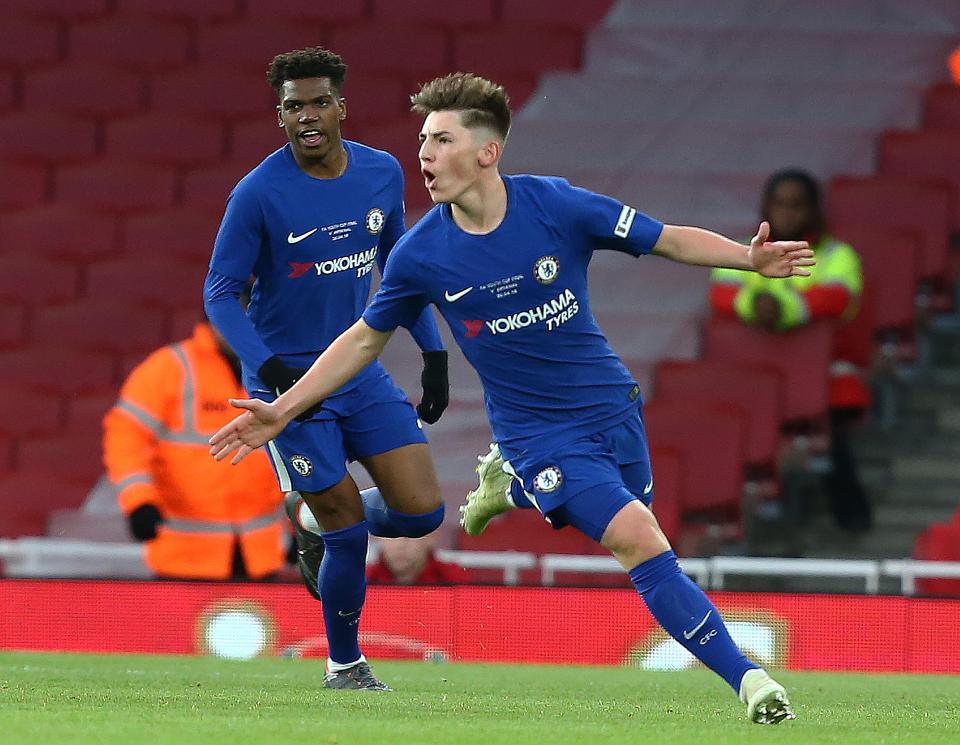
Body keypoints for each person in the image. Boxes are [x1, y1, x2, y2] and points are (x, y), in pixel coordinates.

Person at [208, 73, 813, 724]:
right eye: (422, 141)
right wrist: (286, 404)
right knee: (642, 541)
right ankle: (750, 681)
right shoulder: (420, 254)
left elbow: (666, 238)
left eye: (441, 140)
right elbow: (361, 340)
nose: (425, 155)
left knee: (637, 517)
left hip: (612, 408)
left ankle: (514, 488)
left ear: (487, 153)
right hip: (538, 433)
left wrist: (749, 261)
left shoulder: (557, 206)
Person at [203, 47, 451, 691]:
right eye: (293, 106)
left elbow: (400, 271)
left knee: (422, 511)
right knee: (349, 530)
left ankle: (310, 516)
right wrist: (266, 364)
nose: (306, 116)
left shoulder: (380, 173)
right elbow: (220, 293)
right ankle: (346, 664)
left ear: (341, 105)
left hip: (356, 372)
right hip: (284, 389)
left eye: (318, 102)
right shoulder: (257, 193)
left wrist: (433, 353)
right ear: (279, 115)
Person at [709, 169, 870, 532]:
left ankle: (852, 522)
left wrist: (783, 309)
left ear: (813, 210)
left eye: (796, 205)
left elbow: (838, 296)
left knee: (830, 424)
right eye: (779, 204)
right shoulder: (742, 251)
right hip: (752, 382)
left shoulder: (836, 255)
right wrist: (755, 303)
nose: (787, 213)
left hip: (821, 379)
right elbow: (720, 292)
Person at [103, 319, 287, 580]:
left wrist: (298, 528)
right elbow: (126, 435)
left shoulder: (278, 370)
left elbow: (299, 450)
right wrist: (139, 501)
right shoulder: (170, 367)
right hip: (184, 557)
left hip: (262, 554)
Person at [367, 535, 472, 585]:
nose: (400, 544)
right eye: (391, 534)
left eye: (410, 535)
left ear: (431, 537)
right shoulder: (360, 581)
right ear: (377, 537)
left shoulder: (456, 581)